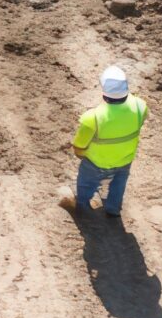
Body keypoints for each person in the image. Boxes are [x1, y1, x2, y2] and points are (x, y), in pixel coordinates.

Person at [61, 65, 146, 219]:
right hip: (125, 160)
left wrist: (83, 156)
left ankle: (83, 207)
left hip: (96, 163)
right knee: (118, 186)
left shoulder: (92, 117)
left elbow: (78, 147)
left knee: (85, 184)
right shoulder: (141, 106)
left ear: (104, 93)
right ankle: (113, 210)